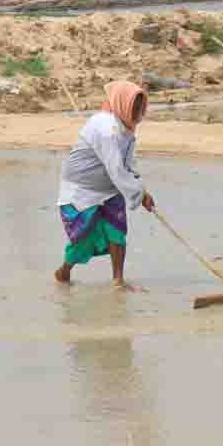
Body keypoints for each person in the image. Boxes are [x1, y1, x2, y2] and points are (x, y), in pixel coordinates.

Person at [55, 80, 155, 290]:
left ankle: (118, 280)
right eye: (134, 107)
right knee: (84, 236)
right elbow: (116, 168)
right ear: (122, 103)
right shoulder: (105, 128)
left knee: (116, 231)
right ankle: (64, 271)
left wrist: (142, 189)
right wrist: (137, 194)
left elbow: (128, 163)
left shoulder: (124, 127)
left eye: (140, 107)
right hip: (81, 190)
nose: (137, 113)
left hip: (109, 188)